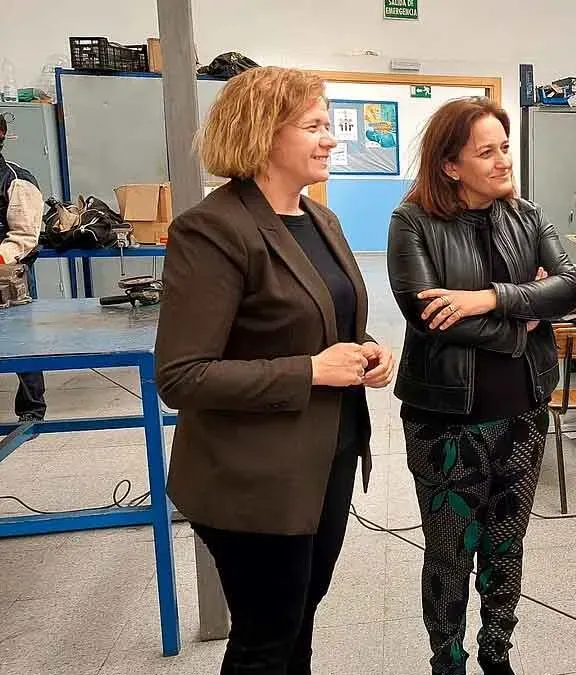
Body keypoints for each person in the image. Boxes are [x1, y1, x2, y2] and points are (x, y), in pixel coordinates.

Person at [154, 66, 396, 674]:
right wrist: (311, 371)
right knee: (266, 638)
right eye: (315, 126)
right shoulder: (213, 229)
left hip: (328, 458)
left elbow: (323, 321)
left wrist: (364, 350)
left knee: (300, 618)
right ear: (264, 134)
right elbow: (182, 376)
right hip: (254, 478)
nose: (332, 139)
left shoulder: (321, 220)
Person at [387, 97, 576, 675]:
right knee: (449, 554)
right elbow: (431, 318)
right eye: (487, 152)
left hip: (522, 414)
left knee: (506, 547)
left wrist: (489, 297)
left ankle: (498, 656)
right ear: (451, 164)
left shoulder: (528, 214)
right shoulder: (412, 222)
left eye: (505, 148)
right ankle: (447, 663)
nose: (503, 162)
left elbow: (568, 289)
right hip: (445, 419)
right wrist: (526, 315)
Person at [0, 113, 47, 424]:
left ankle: (31, 409)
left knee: (21, 340)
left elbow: (24, 235)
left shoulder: (16, 181)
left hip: (8, 275)